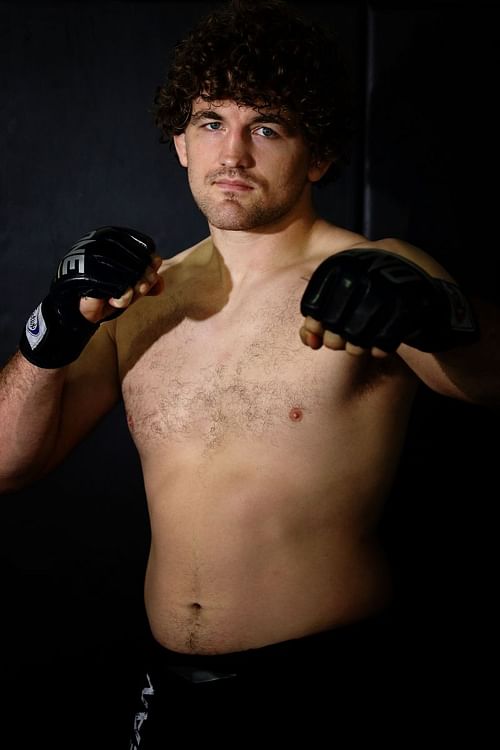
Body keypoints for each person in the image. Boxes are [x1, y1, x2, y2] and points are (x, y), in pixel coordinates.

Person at [0, 0, 498, 745]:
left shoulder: (373, 275)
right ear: (179, 140)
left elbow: (490, 380)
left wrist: (442, 316)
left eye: (266, 127)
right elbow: (9, 465)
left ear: (319, 155)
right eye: (211, 122)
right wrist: (48, 336)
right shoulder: (139, 299)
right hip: (166, 689)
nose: (231, 154)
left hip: (328, 683)